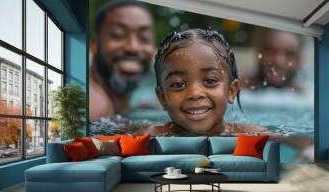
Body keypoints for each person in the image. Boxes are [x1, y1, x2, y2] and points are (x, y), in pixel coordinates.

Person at [136, 29, 268, 136]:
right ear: (162, 97)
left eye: (210, 81)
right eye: (178, 85)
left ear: (231, 91)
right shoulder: (147, 136)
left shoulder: (253, 134)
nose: (195, 94)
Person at [89, 0, 155, 120]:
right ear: (94, 45)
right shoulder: (95, 105)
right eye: (117, 35)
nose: (133, 47)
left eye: (145, 38)